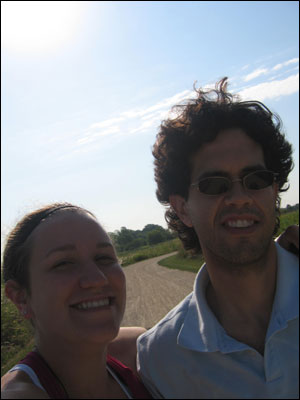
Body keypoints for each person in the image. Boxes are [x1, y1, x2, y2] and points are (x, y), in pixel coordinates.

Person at [136, 78, 299, 398]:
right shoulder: (161, 358)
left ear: (274, 190)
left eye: (256, 179)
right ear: (182, 208)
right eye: (214, 184)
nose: (240, 197)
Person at [1, 203, 152, 399]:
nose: (97, 279)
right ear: (20, 298)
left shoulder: (137, 348)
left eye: (104, 258)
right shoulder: (18, 394)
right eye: (63, 263)